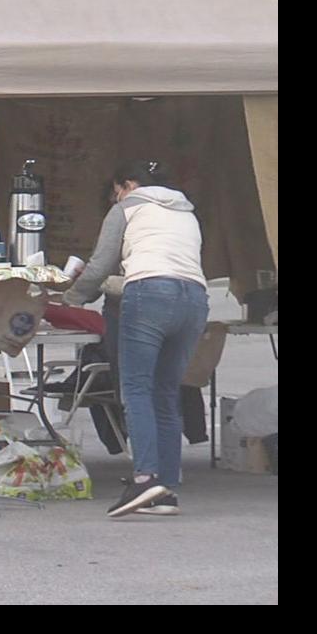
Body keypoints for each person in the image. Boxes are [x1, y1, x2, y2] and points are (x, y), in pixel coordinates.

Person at [64, 160, 208, 518]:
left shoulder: (127, 208)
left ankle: (144, 479)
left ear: (127, 184)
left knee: (137, 390)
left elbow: (100, 266)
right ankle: (165, 485)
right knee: (166, 392)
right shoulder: (186, 211)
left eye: (116, 192)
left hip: (148, 296)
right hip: (194, 300)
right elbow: (170, 266)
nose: (116, 199)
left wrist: (70, 299)